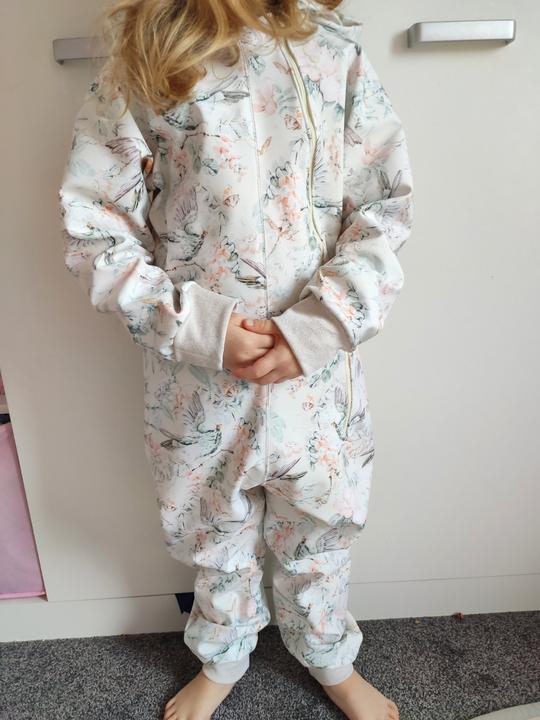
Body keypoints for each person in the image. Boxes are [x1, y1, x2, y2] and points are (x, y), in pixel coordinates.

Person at [58, 0, 413, 718]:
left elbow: (382, 207)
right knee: (210, 529)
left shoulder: (331, 50)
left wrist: (322, 323)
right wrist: (196, 327)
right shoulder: (145, 58)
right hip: (197, 374)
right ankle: (222, 658)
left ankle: (329, 655)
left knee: (321, 523)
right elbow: (96, 225)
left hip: (315, 372)